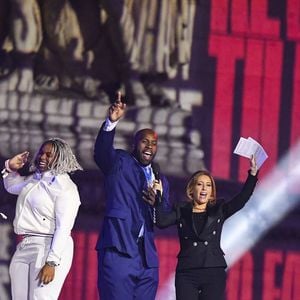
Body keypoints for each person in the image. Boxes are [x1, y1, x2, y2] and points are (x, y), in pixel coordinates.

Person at [147, 156, 259, 300]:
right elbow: (161, 222)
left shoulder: (219, 209)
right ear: (191, 189)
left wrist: (252, 175)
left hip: (213, 271)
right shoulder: (181, 209)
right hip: (187, 273)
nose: (204, 188)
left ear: (212, 191)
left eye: (208, 185)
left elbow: (242, 199)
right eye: (200, 184)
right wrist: (159, 200)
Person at [93, 92, 170, 300]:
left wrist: (158, 202)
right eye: (145, 142)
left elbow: (164, 219)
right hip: (119, 250)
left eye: (153, 144)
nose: (149, 147)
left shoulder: (161, 179)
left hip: (147, 261)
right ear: (135, 144)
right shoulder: (120, 162)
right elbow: (101, 154)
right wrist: (111, 122)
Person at [1, 138, 82, 300]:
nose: (42, 157)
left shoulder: (66, 188)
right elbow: (12, 186)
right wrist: (10, 168)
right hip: (25, 244)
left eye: (49, 155)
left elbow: (64, 227)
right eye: (41, 153)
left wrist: (51, 262)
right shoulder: (35, 179)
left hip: (48, 246)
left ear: (60, 158)